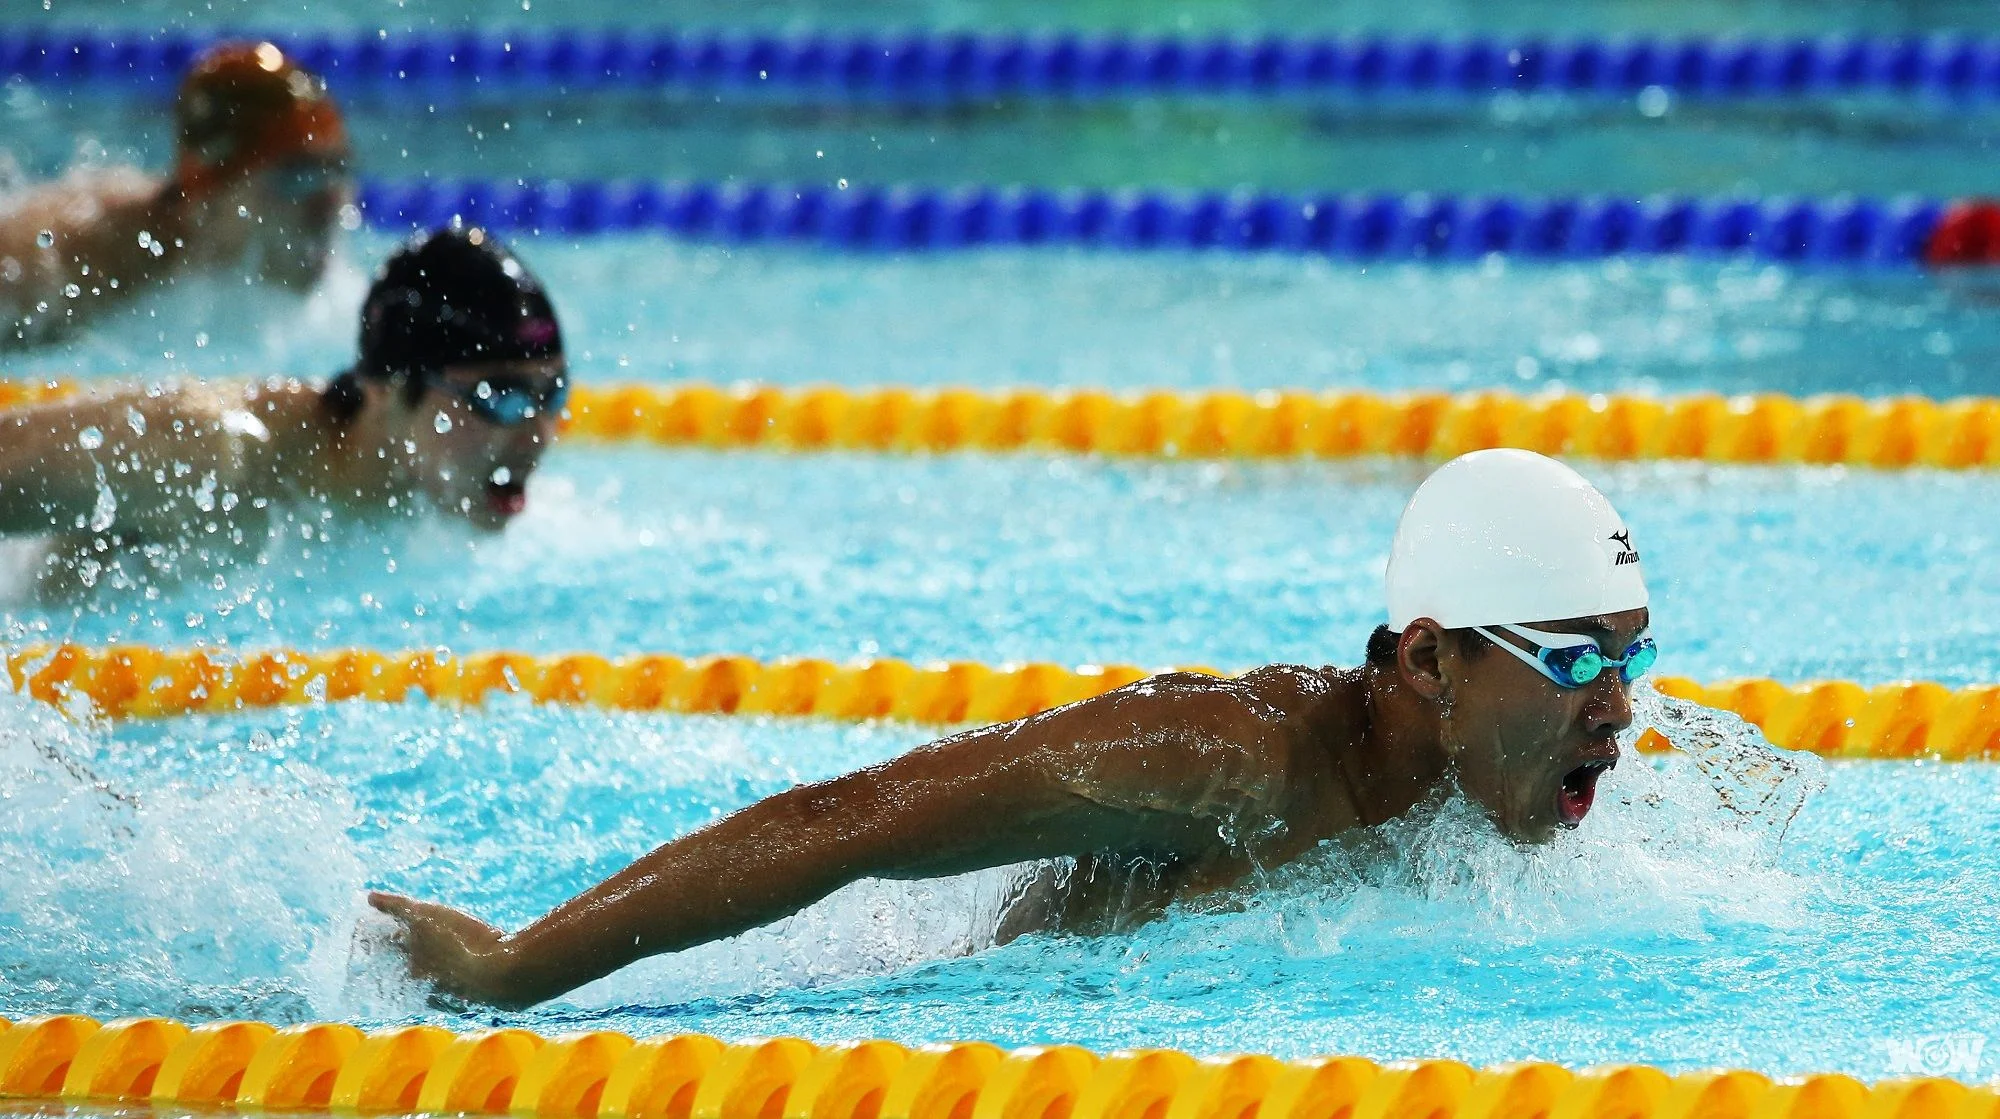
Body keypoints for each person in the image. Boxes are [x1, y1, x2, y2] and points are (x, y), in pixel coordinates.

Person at [371, 448, 1657, 1009]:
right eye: (1570, 661)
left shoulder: (1520, 771)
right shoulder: (1222, 760)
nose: (1616, 706)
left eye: (1629, 654)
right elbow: (849, 821)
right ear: (1427, 659)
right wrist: (515, 968)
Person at [0, 226, 568, 591]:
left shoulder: (418, 510)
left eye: (553, 395)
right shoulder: (216, 452)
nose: (539, 435)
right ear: (389, 388)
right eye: (501, 397)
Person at [0, 41, 351, 348]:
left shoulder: (338, 301)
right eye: (297, 177)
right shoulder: (80, 255)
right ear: (212, 191)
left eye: (337, 168)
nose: (329, 203)